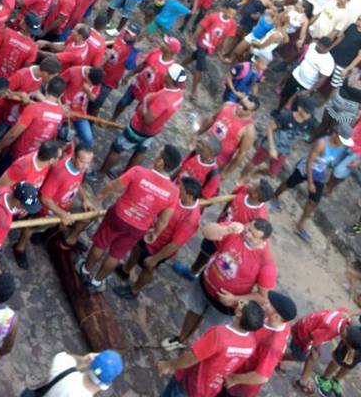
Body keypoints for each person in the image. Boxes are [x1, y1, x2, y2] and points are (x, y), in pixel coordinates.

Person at [76, 145, 182, 292]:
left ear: (161, 162)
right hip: (138, 228)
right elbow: (164, 220)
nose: (155, 155)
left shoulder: (139, 171)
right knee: (116, 254)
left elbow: (115, 185)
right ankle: (96, 282)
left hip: (118, 216)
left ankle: (85, 269)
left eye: (158, 154)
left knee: (101, 243)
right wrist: (155, 233)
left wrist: (101, 195)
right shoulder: (174, 192)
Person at [161, 219, 276, 352]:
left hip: (225, 304)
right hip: (205, 284)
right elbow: (206, 232)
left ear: (263, 240)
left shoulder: (266, 264)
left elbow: (263, 297)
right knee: (193, 312)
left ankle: (198, 353)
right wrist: (226, 230)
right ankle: (180, 339)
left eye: (253, 235)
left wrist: (234, 299)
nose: (247, 233)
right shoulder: (236, 230)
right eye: (248, 228)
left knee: (213, 331)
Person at [115, 176, 202, 302]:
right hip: (149, 232)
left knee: (148, 267)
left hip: (159, 247)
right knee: (136, 250)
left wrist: (155, 259)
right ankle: (125, 270)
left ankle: (134, 290)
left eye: (181, 188)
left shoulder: (191, 218)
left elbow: (175, 245)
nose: (177, 188)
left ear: (189, 196)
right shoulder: (178, 197)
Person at [158, 300, 265, 397]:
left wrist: (168, 365)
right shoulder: (252, 343)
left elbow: (192, 357)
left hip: (189, 383)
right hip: (210, 389)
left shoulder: (218, 335)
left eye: (242, 304)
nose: (240, 301)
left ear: (239, 313)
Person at [270, 123, 355, 242]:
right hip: (306, 168)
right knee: (290, 183)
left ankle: (299, 225)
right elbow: (310, 161)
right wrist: (310, 182)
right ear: (335, 134)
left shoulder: (339, 147)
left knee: (314, 202)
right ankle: (274, 196)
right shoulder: (321, 143)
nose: (342, 142)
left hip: (319, 172)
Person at [225, 291, 298, 397]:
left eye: (270, 304)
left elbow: (261, 376)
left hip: (238, 385)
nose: (266, 303)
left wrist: (234, 379)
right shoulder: (277, 321)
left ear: (276, 317)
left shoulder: (273, 345)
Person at [284, 306, 357, 395]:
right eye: (346, 344)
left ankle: (303, 380)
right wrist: (315, 350)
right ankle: (279, 359)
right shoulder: (332, 329)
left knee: (313, 355)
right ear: (344, 339)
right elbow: (315, 337)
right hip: (303, 334)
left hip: (306, 324)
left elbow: (344, 308)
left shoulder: (344, 319)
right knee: (303, 356)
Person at [242, 96, 315, 181]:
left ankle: (258, 171)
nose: (309, 115)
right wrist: (272, 148)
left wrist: (294, 144)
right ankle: (242, 177)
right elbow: (270, 128)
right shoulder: (286, 117)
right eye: (307, 112)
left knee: (273, 173)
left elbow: (300, 134)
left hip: (284, 150)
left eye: (310, 113)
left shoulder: (309, 123)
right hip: (270, 144)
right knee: (254, 162)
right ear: (299, 108)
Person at [31, 351, 124, 396]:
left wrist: (82, 360)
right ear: (107, 385)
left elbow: (63, 357)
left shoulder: (63, 369)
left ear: (92, 360)